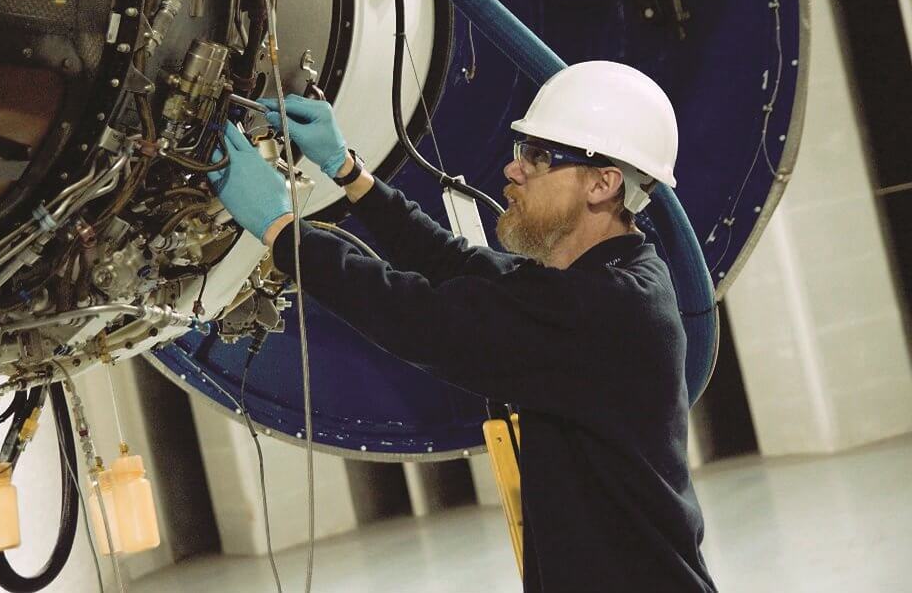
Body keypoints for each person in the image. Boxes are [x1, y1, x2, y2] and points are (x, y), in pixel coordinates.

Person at [210, 61, 717, 592]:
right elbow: (456, 262)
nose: (514, 170)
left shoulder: (604, 310)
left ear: (602, 183)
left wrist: (283, 230)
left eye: (539, 157)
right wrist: (348, 171)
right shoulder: (609, 275)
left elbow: (418, 318)